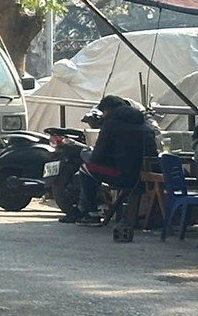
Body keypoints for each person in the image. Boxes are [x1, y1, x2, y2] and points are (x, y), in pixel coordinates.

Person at [65, 95, 155, 224]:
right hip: (145, 176)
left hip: (122, 175)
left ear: (106, 110)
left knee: (86, 167)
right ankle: (84, 208)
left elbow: (97, 158)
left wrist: (86, 155)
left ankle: (91, 212)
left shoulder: (111, 125)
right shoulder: (144, 125)